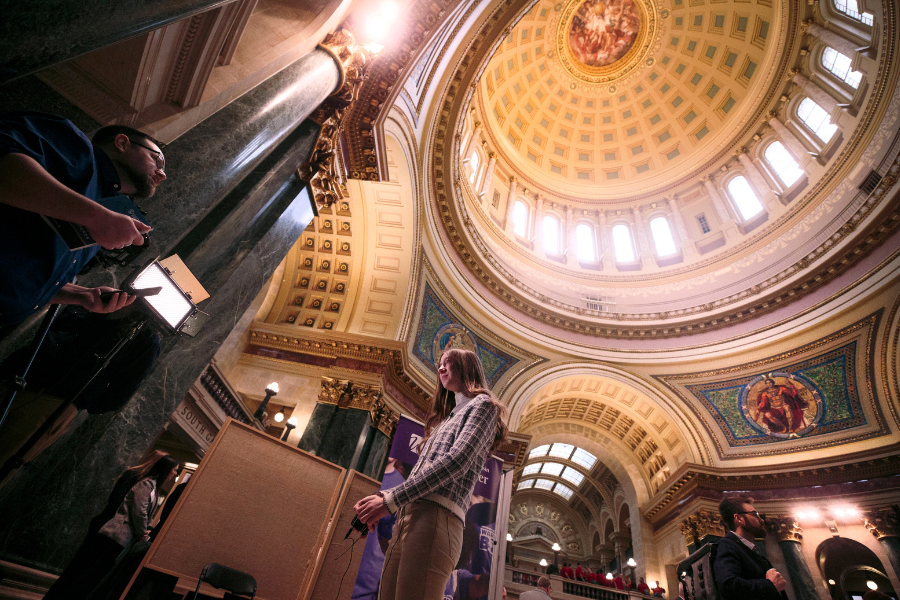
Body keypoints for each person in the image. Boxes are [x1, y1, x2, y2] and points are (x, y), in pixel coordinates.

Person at [353, 348, 508, 600]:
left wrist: (390, 499)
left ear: (467, 367)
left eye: (449, 363)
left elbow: (457, 461)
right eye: (439, 364)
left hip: (437, 518)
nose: (441, 368)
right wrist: (387, 503)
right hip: (407, 517)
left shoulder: (483, 405)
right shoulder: (445, 420)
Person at [42, 453, 179, 600]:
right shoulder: (141, 479)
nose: (175, 473)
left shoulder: (154, 487)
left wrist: (147, 528)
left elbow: (147, 513)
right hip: (110, 530)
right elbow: (133, 508)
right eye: (174, 469)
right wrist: (140, 530)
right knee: (80, 570)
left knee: (91, 574)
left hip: (119, 533)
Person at [714, 497, 788, 600]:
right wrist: (769, 585)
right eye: (755, 515)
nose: (762, 520)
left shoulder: (747, 549)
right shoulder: (728, 545)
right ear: (739, 519)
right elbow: (728, 585)